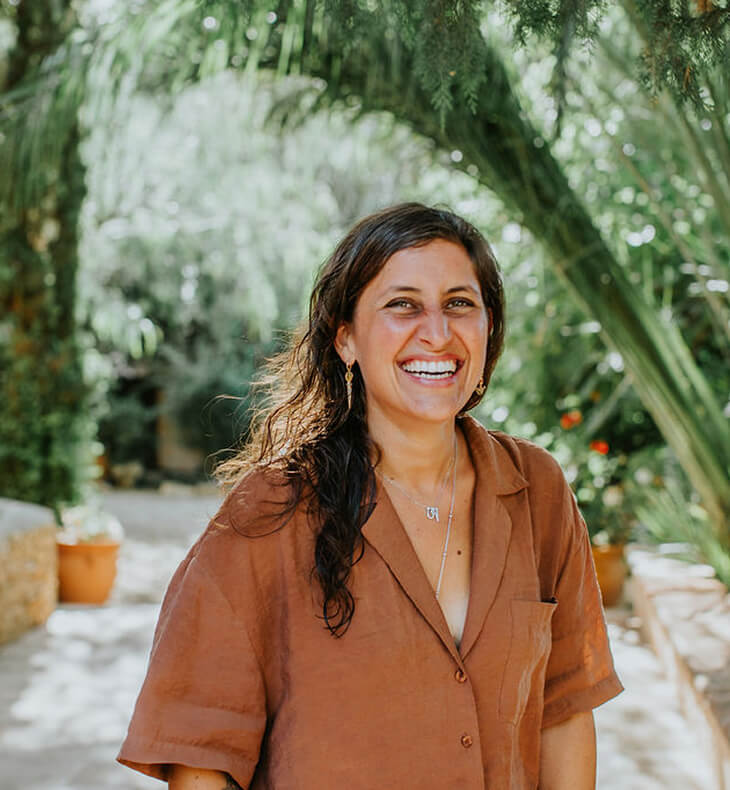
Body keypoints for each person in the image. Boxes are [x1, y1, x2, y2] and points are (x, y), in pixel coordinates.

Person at [118, 203, 623, 790]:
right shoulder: (271, 511)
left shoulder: (538, 491)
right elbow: (199, 754)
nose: (437, 331)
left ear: (490, 327)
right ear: (346, 339)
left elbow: (564, 712)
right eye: (402, 304)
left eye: (460, 303)